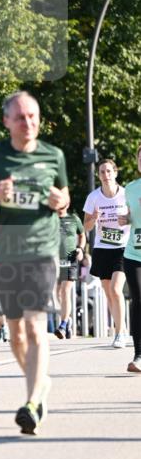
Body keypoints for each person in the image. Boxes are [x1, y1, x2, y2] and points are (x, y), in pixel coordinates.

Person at [0, 91, 70, 434]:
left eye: (33, 116)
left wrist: (60, 201)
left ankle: (32, 404)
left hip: (41, 250)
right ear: (7, 121)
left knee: (35, 325)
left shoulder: (53, 155)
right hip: (6, 253)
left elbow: (65, 197)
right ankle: (41, 383)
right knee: (15, 335)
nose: (28, 123)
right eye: (21, 117)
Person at [83, 159, 131, 348]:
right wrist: (93, 219)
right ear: (99, 175)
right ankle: (123, 328)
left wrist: (126, 219)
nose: (106, 175)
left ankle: (119, 333)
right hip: (102, 247)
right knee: (108, 292)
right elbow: (86, 226)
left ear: (115, 173)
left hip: (122, 247)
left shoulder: (126, 195)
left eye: (109, 171)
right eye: (102, 172)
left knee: (115, 289)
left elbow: (136, 218)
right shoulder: (93, 197)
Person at [118, 143, 141, 373]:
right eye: (140, 159)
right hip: (134, 252)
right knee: (138, 299)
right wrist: (125, 219)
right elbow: (129, 215)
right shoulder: (131, 188)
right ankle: (138, 355)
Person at [55, 199, 86, 339]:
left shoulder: (74, 219)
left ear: (67, 204)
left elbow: (82, 235)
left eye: (62, 205)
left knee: (65, 290)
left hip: (70, 259)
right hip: (54, 261)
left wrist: (80, 248)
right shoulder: (49, 218)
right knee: (57, 294)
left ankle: (62, 324)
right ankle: (68, 320)